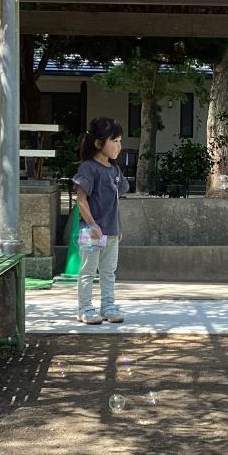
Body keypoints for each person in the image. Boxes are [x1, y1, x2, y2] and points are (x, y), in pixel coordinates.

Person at [72, 116, 129, 325]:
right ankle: (85, 308)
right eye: (114, 141)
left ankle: (108, 306)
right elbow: (81, 200)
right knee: (87, 272)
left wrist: (118, 227)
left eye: (120, 141)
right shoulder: (88, 168)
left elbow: (117, 198)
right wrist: (92, 224)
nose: (119, 146)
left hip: (112, 231)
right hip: (90, 231)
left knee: (108, 272)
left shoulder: (115, 169)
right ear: (98, 143)